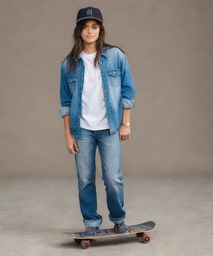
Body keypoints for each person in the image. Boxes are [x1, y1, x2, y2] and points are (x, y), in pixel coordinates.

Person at [59, 6, 137, 236]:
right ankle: (91, 224)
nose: (89, 31)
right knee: (85, 179)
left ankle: (119, 219)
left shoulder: (115, 56)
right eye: (85, 27)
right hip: (81, 130)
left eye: (94, 27)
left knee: (113, 178)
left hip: (109, 128)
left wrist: (126, 122)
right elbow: (65, 102)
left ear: (100, 29)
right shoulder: (68, 64)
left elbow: (128, 90)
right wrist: (67, 134)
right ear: (79, 31)